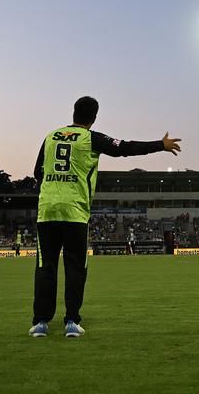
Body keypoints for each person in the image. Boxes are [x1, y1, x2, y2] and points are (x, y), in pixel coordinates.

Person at [28, 96, 180, 339]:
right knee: (75, 266)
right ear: (94, 117)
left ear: (74, 113)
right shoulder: (92, 138)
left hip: (47, 211)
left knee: (45, 267)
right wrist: (160, 144)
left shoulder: (50, 137)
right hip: (75, 212)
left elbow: (38, 172)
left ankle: (41, 324)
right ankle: (71, 322)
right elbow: (125, 149)